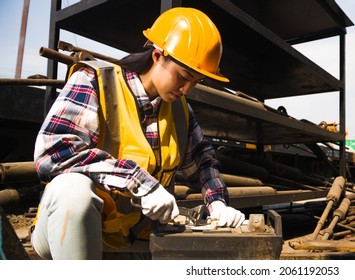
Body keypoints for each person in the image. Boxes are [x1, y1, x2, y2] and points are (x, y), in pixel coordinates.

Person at [31, 7, 245, 260]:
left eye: (196, 82)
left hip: (133, 238)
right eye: (183, 76)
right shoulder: (94, 82)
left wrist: (217, 202)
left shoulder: (180, 111)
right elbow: (53, 153)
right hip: (72, 233)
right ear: (157, 56)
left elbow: (203, 163)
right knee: (71, 189)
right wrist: (138, 181)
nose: (187, 88)